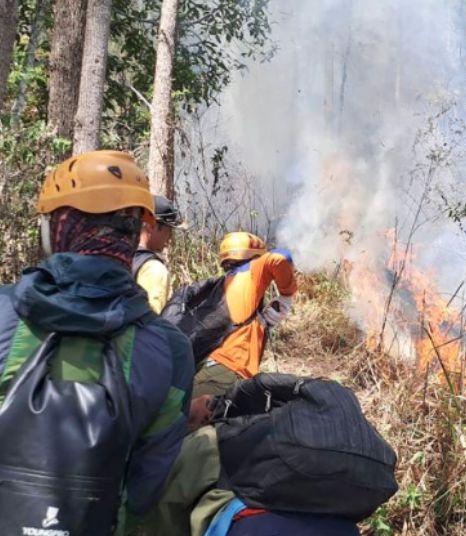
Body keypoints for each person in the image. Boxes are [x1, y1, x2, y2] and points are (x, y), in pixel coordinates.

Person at [0, 151, 194, 534]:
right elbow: (145, 487)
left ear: (56, 227)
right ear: (136, 231)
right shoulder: (170, 350)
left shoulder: (4, 312)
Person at [192, 231, 297, 398]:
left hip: (208, 367)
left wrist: (263, 323)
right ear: (255, 256)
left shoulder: (223, 284)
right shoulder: (253, 271)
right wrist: (286, 294)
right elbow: (280, 257)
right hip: (228, 371)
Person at [133, 195, 186, 313]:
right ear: (151, 227)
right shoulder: (154, 269)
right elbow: (151, 318)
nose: (170, 237)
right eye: (169, 231)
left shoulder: (120, 256)